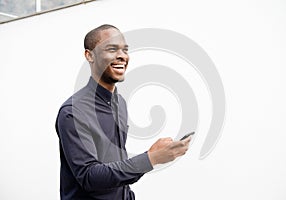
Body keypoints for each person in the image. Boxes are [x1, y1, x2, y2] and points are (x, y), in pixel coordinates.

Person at [55, 24, 191, 200]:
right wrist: (151, 158)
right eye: (111, 49)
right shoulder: (72, 112)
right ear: (90, 55)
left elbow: (116, 165)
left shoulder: (120, 103)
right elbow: (90, 177)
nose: (121, 56)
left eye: (125, 50)